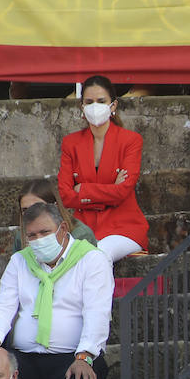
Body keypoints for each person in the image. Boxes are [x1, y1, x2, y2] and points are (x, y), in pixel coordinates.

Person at [0, 202, 111, 379]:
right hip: (25, 356)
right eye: (32, 235)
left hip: (73, 355)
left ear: (63, 228)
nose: (38, 240)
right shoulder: (20, 261)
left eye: (45, 233)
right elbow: (3, 305)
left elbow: (97, 311)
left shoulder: (91, 259)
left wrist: (84, 356)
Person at [57, 75, 149, 262]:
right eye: (89, 102)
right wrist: (110, 191)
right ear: (82, 106)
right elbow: (66, 196)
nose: (94, 106)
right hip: (82, 228)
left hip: (124, 228)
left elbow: (123, 191)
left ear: (113, 105)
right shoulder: (71, 143)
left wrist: (83, 189)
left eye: (101, 101)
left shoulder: (130, 141)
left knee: (98, 254)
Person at [14, 178, 96, 253]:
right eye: (25, 210)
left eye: (38, 207)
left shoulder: (81, 235)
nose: (31, 213)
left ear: (55, 206)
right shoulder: (20, 237)